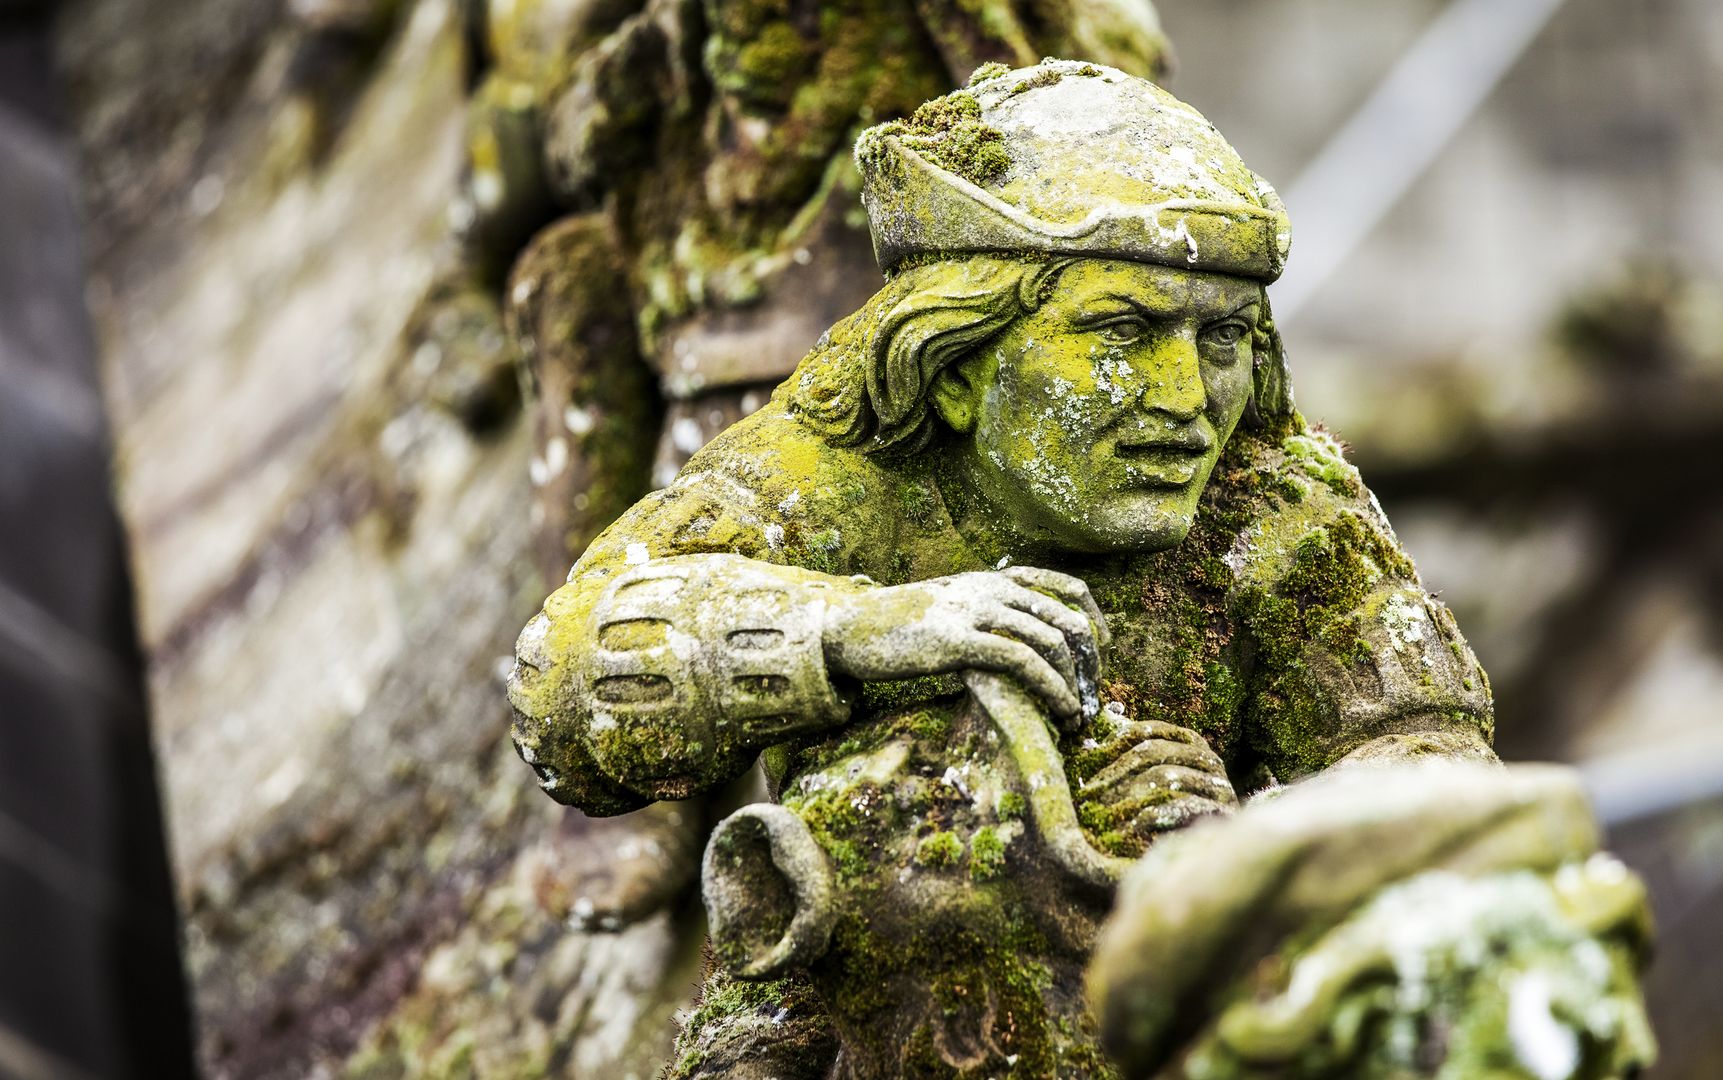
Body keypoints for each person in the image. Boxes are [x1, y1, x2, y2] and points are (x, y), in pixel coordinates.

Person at [507, 58, 1516, 1077]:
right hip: (858, 1005)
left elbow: (1434, 756)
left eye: (1220, 337)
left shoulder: (1273, 501)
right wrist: (860, 633)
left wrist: (1232, 843)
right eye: (1124, 331)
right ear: (956, 365)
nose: (1185, 397)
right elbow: (560, 686)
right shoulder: (836, 474)